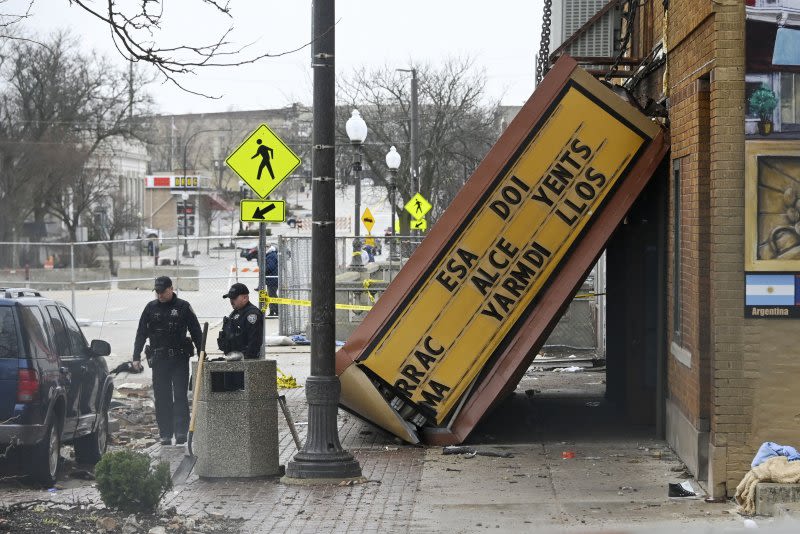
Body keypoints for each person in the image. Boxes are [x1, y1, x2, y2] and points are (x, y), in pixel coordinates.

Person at [131, 276, 202, 446]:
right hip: (159, 360)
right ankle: (165, 433)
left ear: (171, 289)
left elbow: (196, 331)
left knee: (179, 396)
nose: (160, 295)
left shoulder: (183, 307)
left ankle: (181, 432)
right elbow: (141, 333)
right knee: (162, 397)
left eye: (163, 291)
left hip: (179, 359)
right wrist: (135, 356)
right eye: (157, 292)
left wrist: (202, 354)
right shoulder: (151, 308)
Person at [217, 283, 264, 360]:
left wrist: (246, 358)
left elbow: (254, 342)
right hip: (233, 357)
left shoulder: (251, 314)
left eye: (234, 298)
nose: (231, 301)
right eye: (230, 298)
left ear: (245, 298)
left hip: (244, 360)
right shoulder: (236, 312)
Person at [264, 245, 279, 317]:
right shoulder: (271, 254)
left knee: (272, 295)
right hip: (272, 279)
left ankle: (276, 311)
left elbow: (270, 266)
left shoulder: (271, 255)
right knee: (271, 295)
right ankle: (273, 311)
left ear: (267, 248)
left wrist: (263, 269)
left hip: (273, 279)